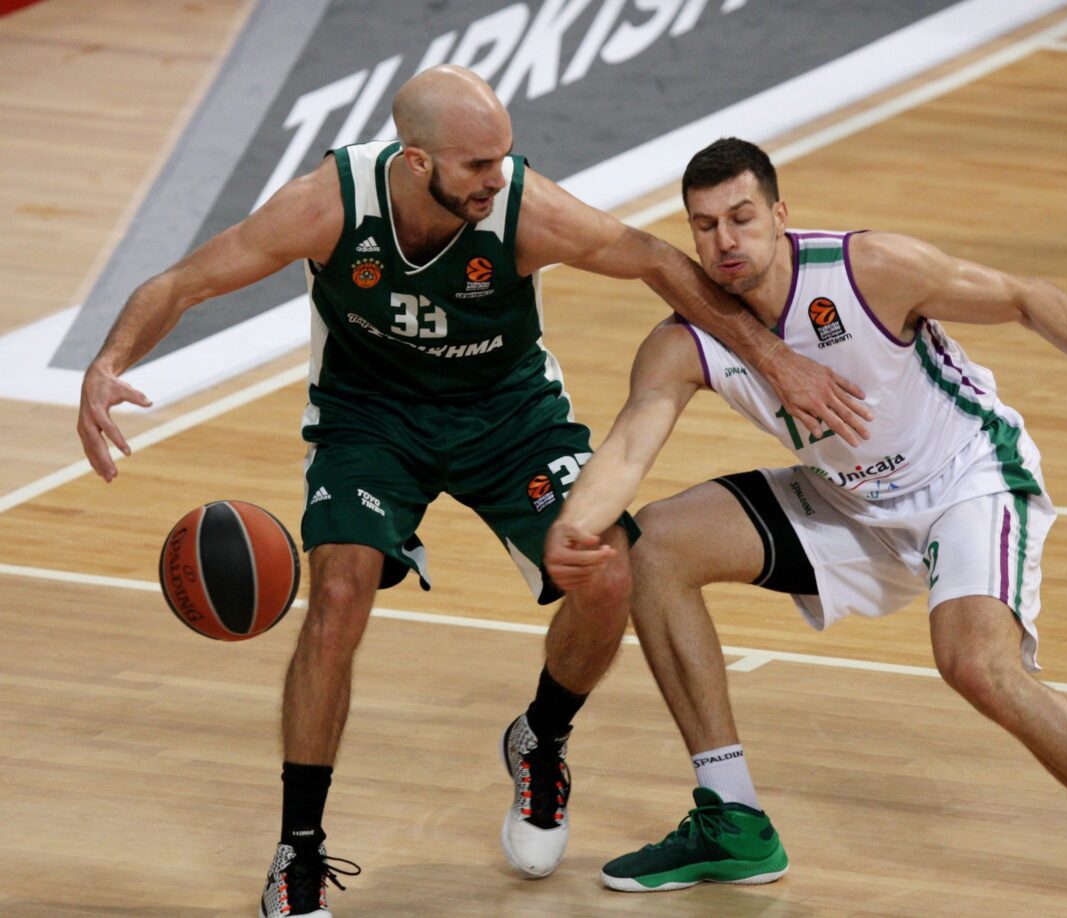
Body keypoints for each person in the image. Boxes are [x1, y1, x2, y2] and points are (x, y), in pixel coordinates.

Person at [75, 70, 871, 917]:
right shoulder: (328, 206)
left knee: (610, 571)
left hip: (508, 417)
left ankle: (541, 739)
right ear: (417, 162)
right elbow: (184, 283)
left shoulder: (522, 210)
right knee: (337, 596)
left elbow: (652, 258)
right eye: (479, 164)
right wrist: (108, 364)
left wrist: (775, 360)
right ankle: (297, 853)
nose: (500, 175)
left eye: (504, 156)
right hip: (370, 421)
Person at [544, 138, 1067, 917]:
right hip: (851, 500)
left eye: (742, 218)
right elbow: (628, 447)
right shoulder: (684, 341)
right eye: (704, 226)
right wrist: (578, 526)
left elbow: (1022, 296)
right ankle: (733, 820)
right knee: (654, 546)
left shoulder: (867, 271)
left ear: (780, 215)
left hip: (967, 477)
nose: (725, 242)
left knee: (977, 665)